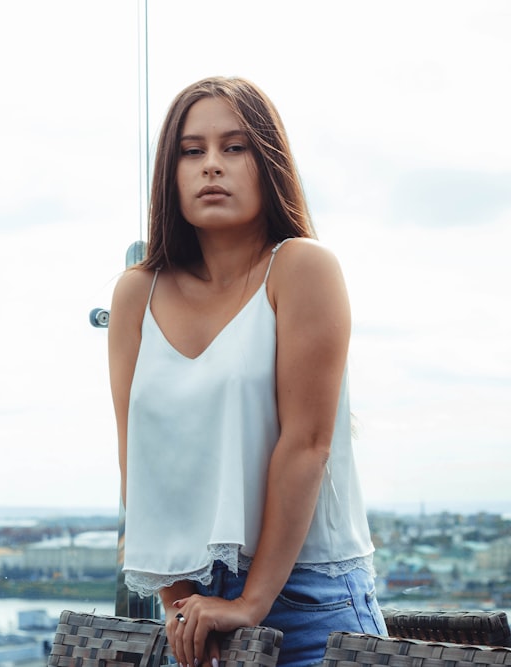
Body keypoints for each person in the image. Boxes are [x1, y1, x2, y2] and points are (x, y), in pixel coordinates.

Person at [107, 76, 385, 667]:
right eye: (192, 150)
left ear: (268, 164)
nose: (212, 165)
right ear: (171, 172)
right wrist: (180, 603)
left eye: (235, 148)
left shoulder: (302, 268)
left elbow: (306, 446)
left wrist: (252, 601)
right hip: (192, 602)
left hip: (311, 598)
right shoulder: (137, 294)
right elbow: (140, 466)